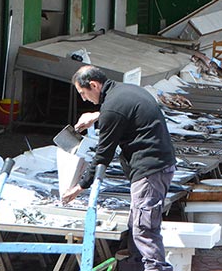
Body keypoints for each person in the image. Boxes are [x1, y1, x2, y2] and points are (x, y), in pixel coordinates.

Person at [65, 66, 176, 271]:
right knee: (137, 224)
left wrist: (80, 186)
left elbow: (102, 156)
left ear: (94, 85)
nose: (83, 99)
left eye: (83, 93)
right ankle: (137, 266)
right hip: (159, 165)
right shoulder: (126, 91)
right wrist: (98, 115)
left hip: (149, 171)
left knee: (144, 229)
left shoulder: (112, 108)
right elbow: (123, 110)